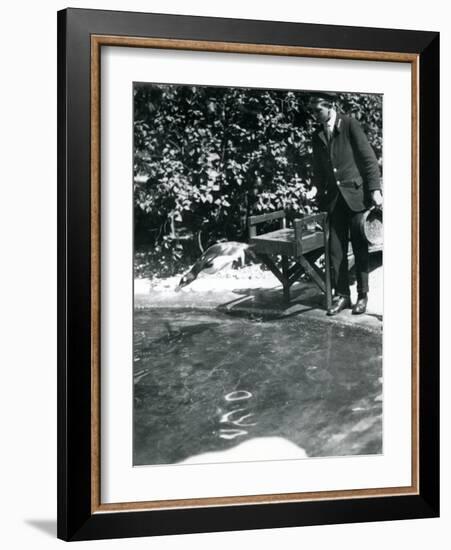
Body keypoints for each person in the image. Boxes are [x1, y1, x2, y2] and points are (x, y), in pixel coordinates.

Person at [310, 92, 383, 315]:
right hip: (334, 200)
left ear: (330, 107)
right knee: (336, 250)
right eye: (312, 111)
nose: (314, 115)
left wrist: (375, 190)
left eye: (317, 110)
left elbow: (368, 158)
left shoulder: (349, 124)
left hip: (356, 196)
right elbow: (318, 168)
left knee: (360, 248)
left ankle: (362, 295)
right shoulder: (317, 135)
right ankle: (343, 296)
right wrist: (314, 186)